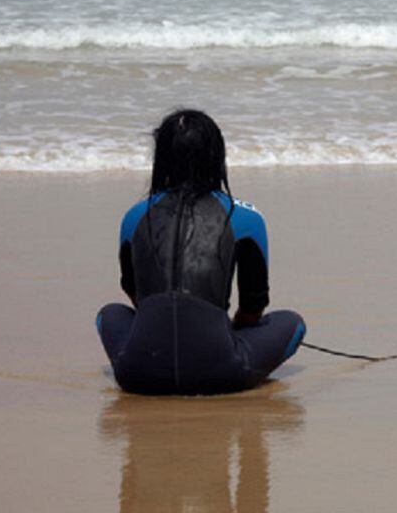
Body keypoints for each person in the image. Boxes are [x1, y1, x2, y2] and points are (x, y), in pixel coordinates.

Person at [96, 109, 305, 395]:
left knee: (110, 314)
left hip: (138, 375)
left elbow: (136, 298)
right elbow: (253, 308)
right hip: (222, 376)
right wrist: (220, 330)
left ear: (162, 158)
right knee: (292, 322)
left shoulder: (133, 216)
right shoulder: (246, 216)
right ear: (217, 156)